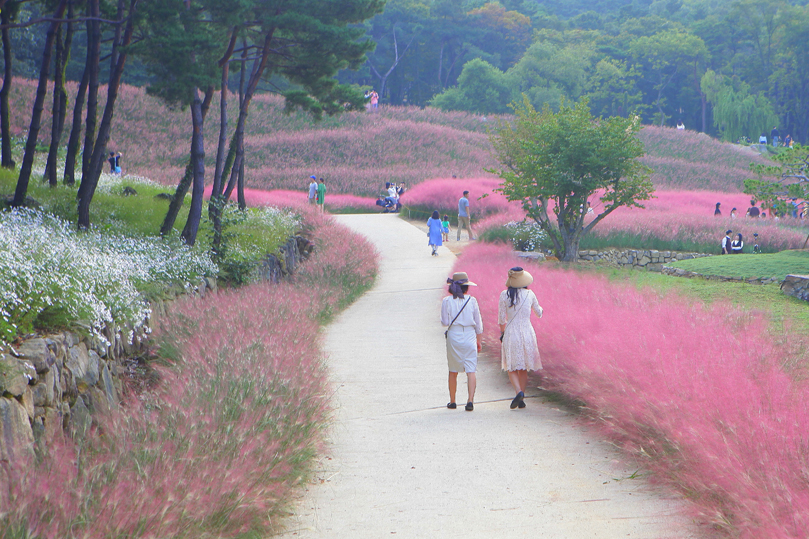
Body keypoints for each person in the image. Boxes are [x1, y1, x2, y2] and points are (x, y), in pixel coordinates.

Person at [498, 267, 543, 410]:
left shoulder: (504, 295)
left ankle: (519, 392)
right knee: (523, 367)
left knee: (511, 366)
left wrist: (503, 332)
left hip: (511, 332)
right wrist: (541, 309)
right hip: (527, 332)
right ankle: (522, 397)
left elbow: (501, 319)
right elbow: (539, 313)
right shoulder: (530, 294)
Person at [441, 272, 483, 412]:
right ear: (467, 287)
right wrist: (479, 341)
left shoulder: (447, 301)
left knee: (453, 370)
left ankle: (453, 401)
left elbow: (445, 322)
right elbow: (479, 324)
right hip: (470, 335)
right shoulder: (472, 300)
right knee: (471, 370)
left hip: (454, 335)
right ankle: (470, 401)